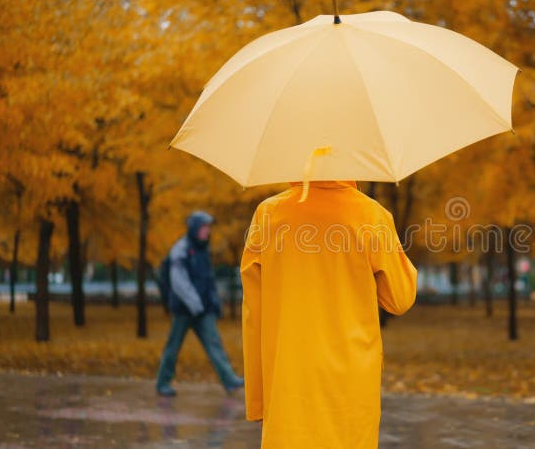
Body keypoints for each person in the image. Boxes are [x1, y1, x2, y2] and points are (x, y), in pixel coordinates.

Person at [240, 180, 418, 448]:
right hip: (351, 379)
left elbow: (254, 313)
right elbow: (400, 298)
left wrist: (258, 400)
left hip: (290, 377)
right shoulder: (371, 216)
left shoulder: (269, 214)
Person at [156, 210, 244, 397]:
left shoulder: (203, 249)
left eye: (208, 227)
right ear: (195, 228)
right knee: (173, 346)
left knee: (214, 344)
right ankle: (162, 383)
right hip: (185, 309)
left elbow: (206, 280)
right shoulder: (181, 249)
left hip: (202, 309)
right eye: (204, 227)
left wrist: (211, 303)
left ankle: (229, 380)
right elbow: (178, 281)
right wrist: (195, 303)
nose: (207, 231)